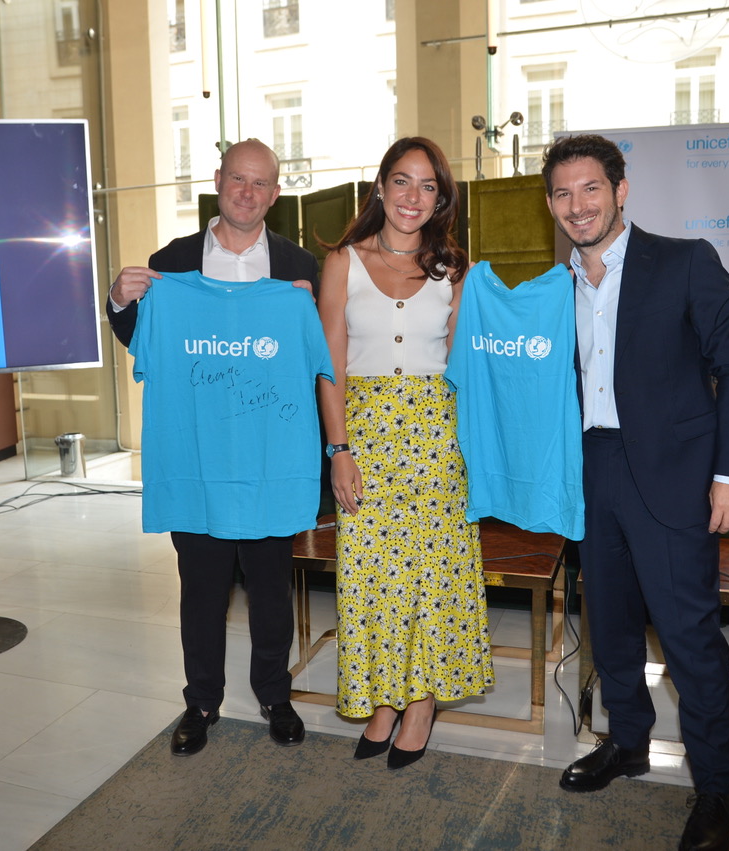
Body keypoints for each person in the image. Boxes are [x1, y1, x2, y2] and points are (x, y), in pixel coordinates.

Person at [543, 134, 729, 851]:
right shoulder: (553, 288)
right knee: (609, 627)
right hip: (591, 470)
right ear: (551, 204)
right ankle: (627, 742)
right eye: (563, 193)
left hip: (674, 476)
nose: (578, 205)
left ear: (621, 190)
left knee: (690, 640)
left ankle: (715, 789)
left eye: (591, 188)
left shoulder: (684, 260)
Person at [106, 138, 320, 757]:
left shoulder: (299, 267)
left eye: (260, 183)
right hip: (196, 459)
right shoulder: (171, 263)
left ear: (275, 194)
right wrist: (120, 300)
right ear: (218, 180)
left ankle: (274, 694)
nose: (247, 193)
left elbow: (324, 355)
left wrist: (307, 313)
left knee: (271, 591)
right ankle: (200, 701)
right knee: (200, 590)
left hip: (268, 459)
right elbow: (143, 343)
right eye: (237, 179)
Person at [317, 137, 495, 770]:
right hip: (365, 439)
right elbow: (330, 365)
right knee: (372, 575)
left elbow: (464, 368)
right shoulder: (343, 261)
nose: (413, 196)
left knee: (434, 576)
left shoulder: (455, 270)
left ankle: (420, 703)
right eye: (402, 180)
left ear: (440, 198)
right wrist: (338, 449)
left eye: (428, 185)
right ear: (381, 187)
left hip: (437, 440)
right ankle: (384, 699)